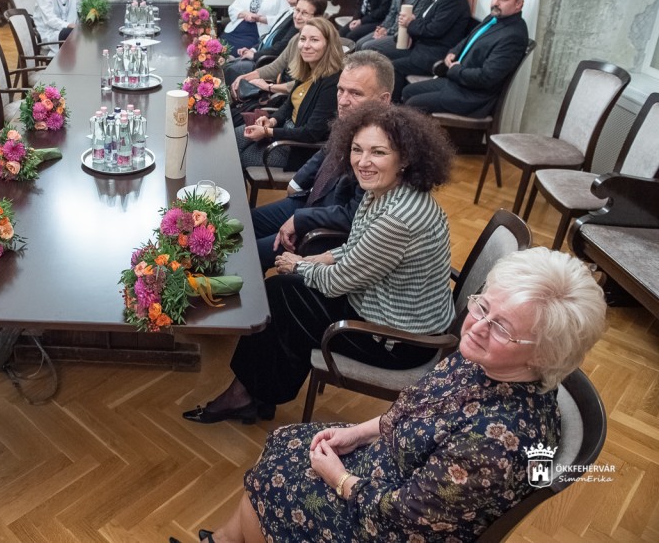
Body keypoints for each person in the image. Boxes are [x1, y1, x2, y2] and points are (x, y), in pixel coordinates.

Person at [190, 248, 606, 542]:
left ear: (544, 354)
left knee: (277, 486)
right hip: (391, 467)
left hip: (392, 522)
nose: (476, 326)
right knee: (287, 444)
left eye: (501, 327)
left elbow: (406, 520)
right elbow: (414, 406)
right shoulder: (485, 361)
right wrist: (357, 433)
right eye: (482, 307)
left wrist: (338, 477)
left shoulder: (495, 443)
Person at [186, 103, 454, 424]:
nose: (363, 161)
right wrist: (319, 258)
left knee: (282, 294)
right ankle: (254, 395)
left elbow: (338, 281)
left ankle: (246, 395)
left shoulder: (396, 219)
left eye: (378, 152)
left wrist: (298, 265)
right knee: (282, 293)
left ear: (406, 158)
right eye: (357, 149)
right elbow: (358, 248)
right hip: (384, 306)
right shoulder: (387, 191)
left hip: (395, 340)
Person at [251, 51, 393, 270]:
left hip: (326, 230)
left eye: (356, 93)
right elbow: (327, 150)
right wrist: (297, 181)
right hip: (310, 202)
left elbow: (355, 215)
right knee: (246, 223)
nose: (343, 101)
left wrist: (301, 220)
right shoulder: (353, 119)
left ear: (383, 100)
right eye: (340, 90)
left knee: (253, 253)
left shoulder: (385, 148)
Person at [402, 0, 529, 117]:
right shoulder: (494, 18)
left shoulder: (514, 35)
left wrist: (456, 70)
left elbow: (487, 77)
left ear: (518, 4)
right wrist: (453, 52)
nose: (495, 2)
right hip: (457, 83)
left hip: (472, 96)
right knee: (407, 91)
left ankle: (422, 131)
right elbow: (469, 39)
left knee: (414, 103)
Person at [235, 18, 344, 171]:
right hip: (282, 133)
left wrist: (268, 132)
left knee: (240, 156)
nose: (306, 45)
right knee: (234, 138)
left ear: (329, 45)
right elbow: (288, 106)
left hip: (295, 149)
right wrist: (271, 121)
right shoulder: (308, 69)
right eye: (303, 39)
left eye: (314, 40)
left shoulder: (332, 82)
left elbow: (311, 133)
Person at [386, 0, 471, 101]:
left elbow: (433, 30)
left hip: (434, 55)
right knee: (385, 58)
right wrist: (412, 30)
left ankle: (394, 108)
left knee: (393, 67)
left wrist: (410, 23)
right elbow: (426, 22)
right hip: (423, 47)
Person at [229, 0, 327, 110]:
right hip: (280, 95)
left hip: (293, 104)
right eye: (297, 10)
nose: (297, 17)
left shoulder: (320, 45)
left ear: (318, 17)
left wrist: (269, 87)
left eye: (305, 13)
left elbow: (306, 84)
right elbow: (275, 67)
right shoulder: (296, 38)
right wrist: (244, 77)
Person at [224, 0, 321, 89]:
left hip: (266, 62)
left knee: (230, 69)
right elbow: (268, 36)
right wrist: (253, 49)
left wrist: (255, 55)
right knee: (226, 64)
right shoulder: (290, 12)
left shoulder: (299, 23)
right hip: (263, 57)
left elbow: (280, 48)